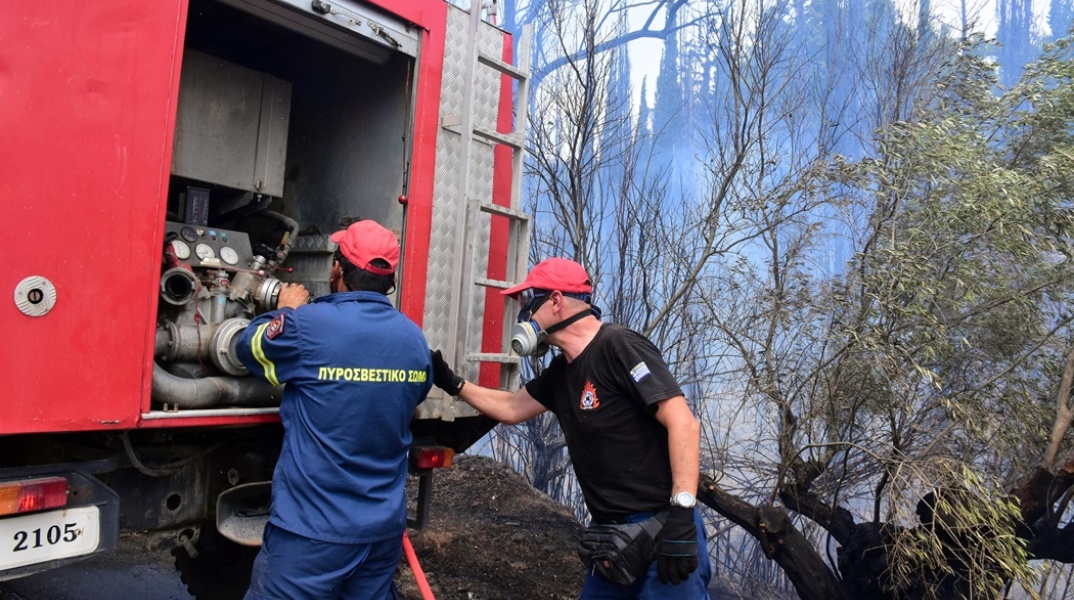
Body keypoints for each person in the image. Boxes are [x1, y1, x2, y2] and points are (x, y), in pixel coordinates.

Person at [431, 257, 711, 599]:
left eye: (528, 304)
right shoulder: (561, 373)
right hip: (613, 539)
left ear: (555, 301)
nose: (523, 317)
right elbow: (510, 407)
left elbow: (682, 421)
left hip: (665, 531)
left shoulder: (618, 346)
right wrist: (453, 384)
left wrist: (682, 515)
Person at [236, 219, 433, 600]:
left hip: (311, 533)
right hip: (380, 534)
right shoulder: (414, 339)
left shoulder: (306, 326)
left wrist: (283, 311)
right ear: (389, 282)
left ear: (337, 269)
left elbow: (251, 348)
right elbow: (412, 401)